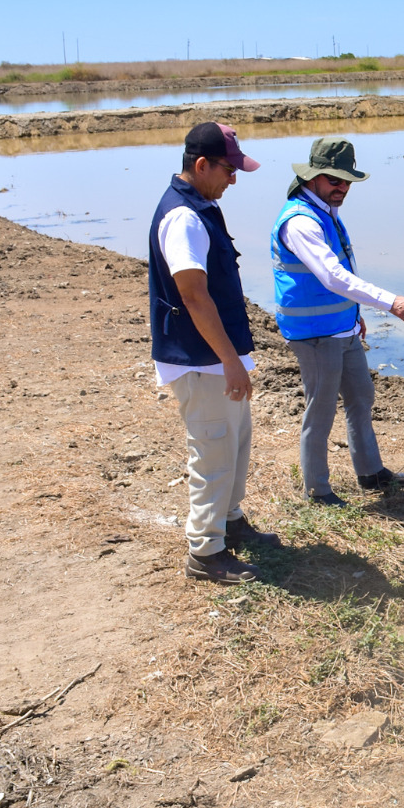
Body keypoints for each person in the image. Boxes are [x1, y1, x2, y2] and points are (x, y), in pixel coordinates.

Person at [149, 122, 281, 583]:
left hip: (215, 356)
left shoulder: (201, 206)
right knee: (212, 453)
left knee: (234, 443)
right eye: (229, 169)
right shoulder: (183, 217)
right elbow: (193, 295)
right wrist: (229, 360)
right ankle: (205, 552)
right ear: (202, 165)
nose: (234, 179)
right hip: (202, 359)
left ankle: (229, 521)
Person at [270, 137, 404, 505]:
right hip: (315, 334)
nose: (341, 187)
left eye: (346, 181)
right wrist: (389, 302)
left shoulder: (325, 211)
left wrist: (355, 316)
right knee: (321, 410)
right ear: (312, 177)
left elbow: (341, 276)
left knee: (361, 397)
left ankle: (371, 473)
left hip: (341, 328)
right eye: (334, 180)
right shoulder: (300, 222)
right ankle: (317, 490)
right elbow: (332, 276)